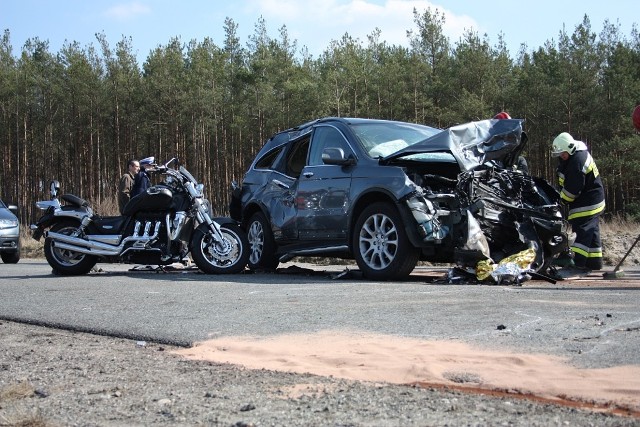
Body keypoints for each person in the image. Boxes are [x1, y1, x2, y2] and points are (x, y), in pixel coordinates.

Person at [551, 132, 605, 278]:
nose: (561, 157)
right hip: (592, 199)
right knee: (592, 231)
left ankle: (578, 265)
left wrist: (561, 200)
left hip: (588, 202)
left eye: (563, 154)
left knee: (582, 230)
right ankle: (594, 262)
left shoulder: (577, 161)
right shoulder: (574, 156)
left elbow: (573, 188)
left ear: (570, 148)